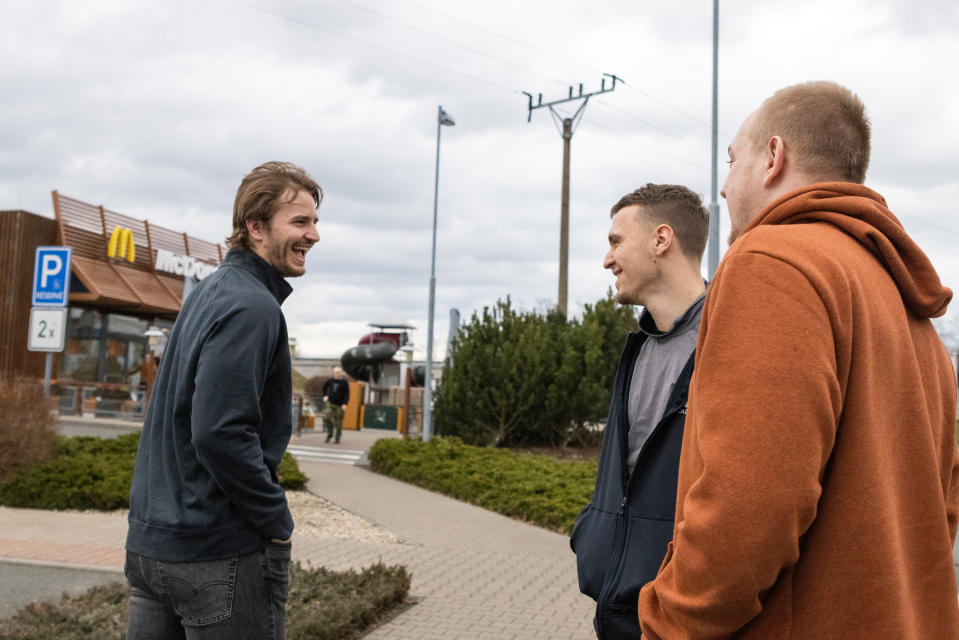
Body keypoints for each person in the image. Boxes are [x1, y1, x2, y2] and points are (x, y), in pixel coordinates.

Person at [638, 81, 959, 639]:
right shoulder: (907, 304)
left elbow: (748, 508)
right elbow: (944, 504)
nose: (722, 186)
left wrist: (667, 621)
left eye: (732, 159)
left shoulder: (774, 263)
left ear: (773, 159)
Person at [125, 161, 322, 639]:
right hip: (216, 554)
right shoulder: (253, 307)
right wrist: (276, 519)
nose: (314, 235)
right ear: (255, 227)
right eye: (300, 221)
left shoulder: (209, 293)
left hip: (154, 549)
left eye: (315, 221)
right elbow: (219, 432)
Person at [570, 183, 709, 639]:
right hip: (615, 608)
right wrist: (591, 533)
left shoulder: (725, 346)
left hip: (680, 617)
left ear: (661, 240)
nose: (607, 260)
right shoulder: (638, 349)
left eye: (615, 242)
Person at [322, 365, 350, 444]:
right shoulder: (330, 380)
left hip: (340, 405)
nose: (336, 374)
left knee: (338, 422)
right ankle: (330, 434)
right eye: (335, 372)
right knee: (327, 417)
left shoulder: (344, 382)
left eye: (338, 372)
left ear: (341, 373)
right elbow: (324, 388)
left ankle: (337, 437)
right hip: (330, 403)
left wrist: (345, 404)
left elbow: (347, 394)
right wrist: (325, 396)